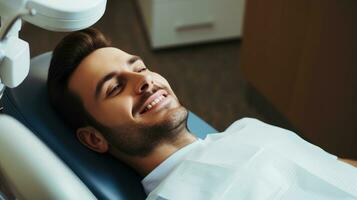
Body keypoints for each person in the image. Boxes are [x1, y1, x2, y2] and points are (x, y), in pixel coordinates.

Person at [47, 28, 357, 199]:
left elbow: (335, 167)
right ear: (94, 138)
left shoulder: (248, 128)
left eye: (140, 68)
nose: (144, 82)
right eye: (115, 88)